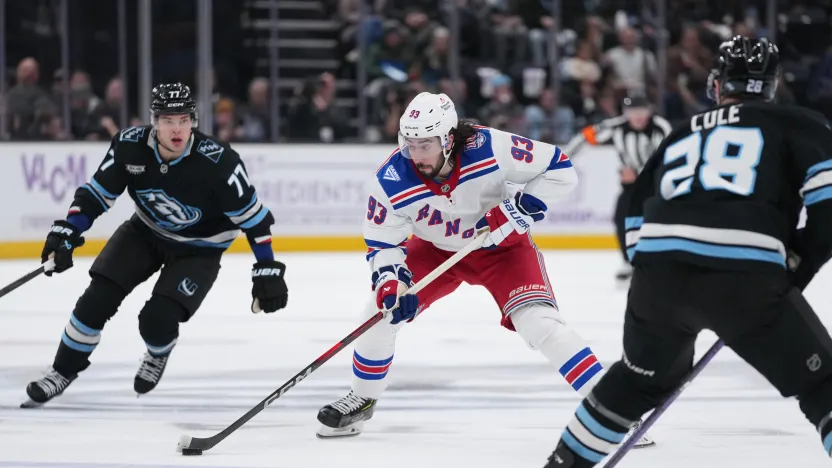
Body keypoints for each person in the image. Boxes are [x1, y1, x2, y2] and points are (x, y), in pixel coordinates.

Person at [543, 36, 832, 467]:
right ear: (772, 85)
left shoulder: (678, 133)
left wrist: (657, 276)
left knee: (633, 383)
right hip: (745, 278)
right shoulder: (798, 123)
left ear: (717, 85)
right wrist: (794, 267)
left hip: (658, 281)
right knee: (822, 386)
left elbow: (635, 220)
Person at [314, 92, 653, 448]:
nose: (416, 154)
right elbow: (383, 244)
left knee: (540, 324)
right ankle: (362, 398)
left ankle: (615, 410)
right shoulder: (392, 177)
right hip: (434, 251)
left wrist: (519, 209)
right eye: (410, 143)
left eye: (426, 144)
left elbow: (559, 168)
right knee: (379, 312)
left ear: (447, 138)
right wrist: (391, 284)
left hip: (502, 250)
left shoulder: (489, 146)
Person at [22, 83, 289, 407]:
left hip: (200, 248)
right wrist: (68, 229)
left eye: (183, 119)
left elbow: (255, 220)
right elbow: (95, 195)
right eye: (167, 120)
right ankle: (62, 372)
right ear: (153, 121)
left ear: (194, 120)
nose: (176, 129)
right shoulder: (129, 146)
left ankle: (158, 352)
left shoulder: (219, 162)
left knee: (156, 320)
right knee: (95, 301)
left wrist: (267, 268)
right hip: (144, 232)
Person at [563, 91, 672, 284]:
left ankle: (662, 261)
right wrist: (561, 159)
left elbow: (670, 155)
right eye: (632, 111)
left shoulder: (660, 127)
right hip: (631, 185)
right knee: (622, 217)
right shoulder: (616, 127)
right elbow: (586, 136)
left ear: (649, 111)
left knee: (658, 219)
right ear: (625, 113)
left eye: (641, 111)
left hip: (657, 183)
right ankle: (628, 260)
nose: (637, 116)